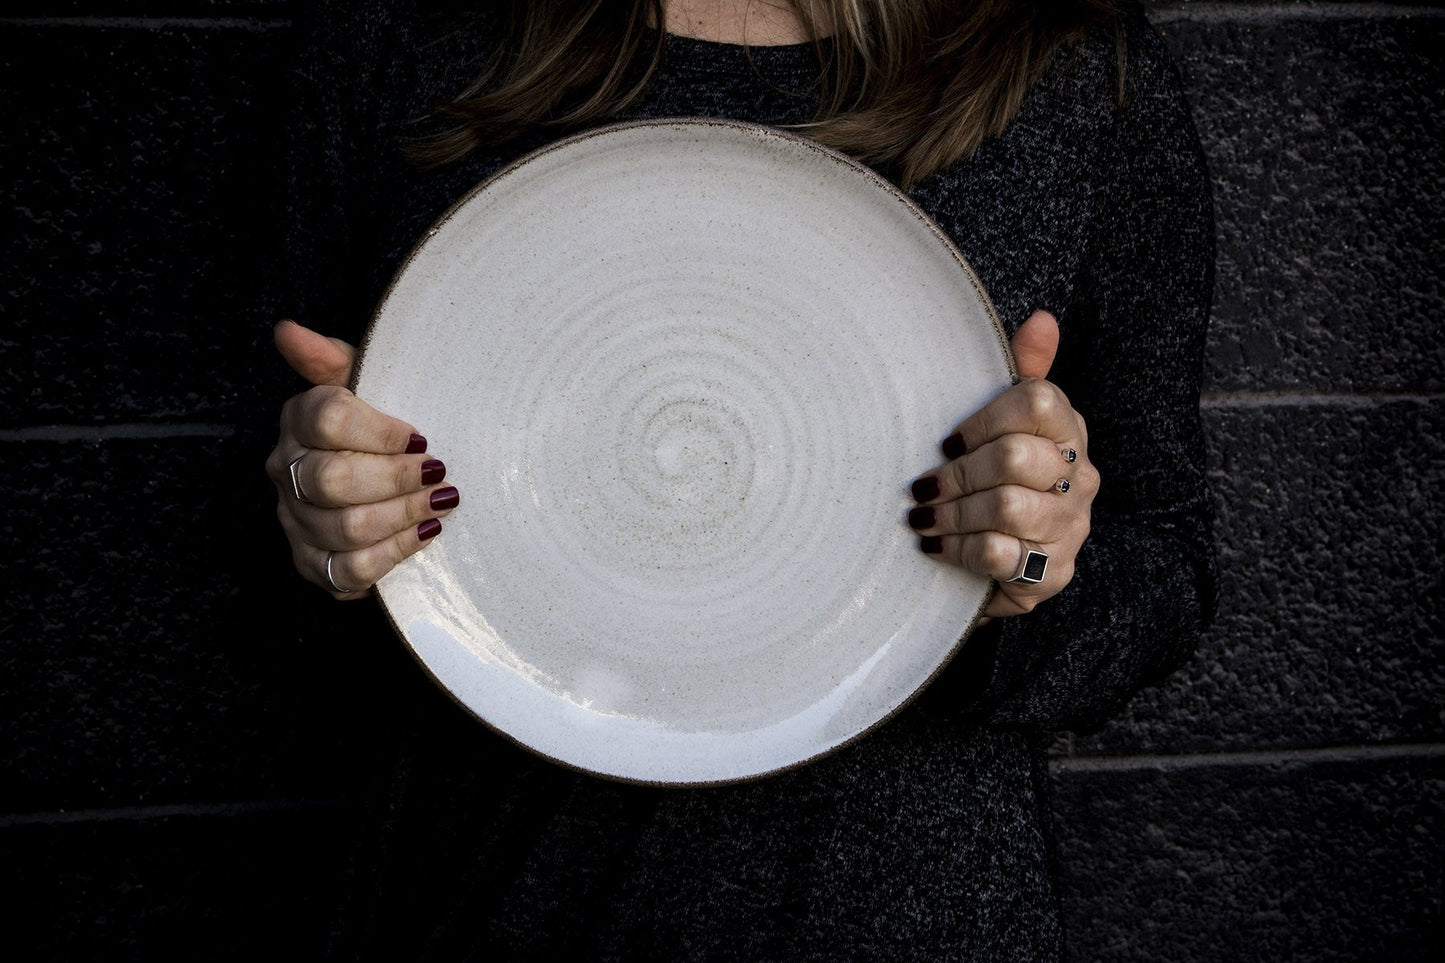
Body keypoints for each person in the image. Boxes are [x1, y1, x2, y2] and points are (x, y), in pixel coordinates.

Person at [265, 0, 1216, 957]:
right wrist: (321, 520)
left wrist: (1007, 576)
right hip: (492, 897)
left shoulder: (1068, 66)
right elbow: (274, 544)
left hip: (900, 916)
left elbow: (1164, 566)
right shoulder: (396, 33)